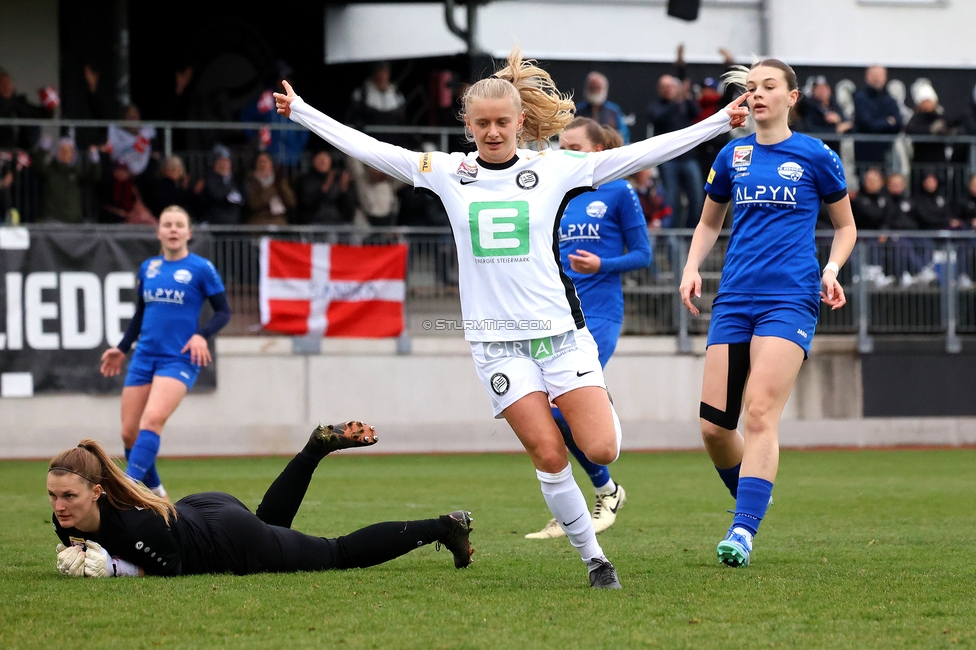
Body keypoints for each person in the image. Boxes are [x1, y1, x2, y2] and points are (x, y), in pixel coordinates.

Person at [274, 47, 748, 588]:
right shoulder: (448, 172)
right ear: (468, 126)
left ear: (521, 122)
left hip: (561, 336)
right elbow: (374, 149)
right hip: (496, 344)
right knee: (548, 452)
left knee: (601, 448)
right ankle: (597, 561)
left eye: (502, 122)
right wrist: (304, 111)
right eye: (482, 124)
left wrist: (713, 123)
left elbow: (638, 155)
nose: (493, 132)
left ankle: (599, 404)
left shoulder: (556, 167)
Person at [679, 58, 857, 568]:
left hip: (790, 298)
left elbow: (845, 227)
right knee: (714, 428)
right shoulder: (732, 155)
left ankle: (743, 528)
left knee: (759, 413)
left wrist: (831, 269)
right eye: (751, 87)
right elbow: (710, 222)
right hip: (734, 297)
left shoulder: (816, 155)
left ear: (791, 97)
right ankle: (756, 490)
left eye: (768, 86)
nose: (757, 94)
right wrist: (692, 266)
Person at [50, 426, 474, 577]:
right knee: (270, 528)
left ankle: (445, 526)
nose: (60, 506)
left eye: (69, 495)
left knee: (338, 553)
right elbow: (81, 542)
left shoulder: (135, 528)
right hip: (208, 508)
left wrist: (113, 568)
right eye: (53, 496)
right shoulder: (67, 520)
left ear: (97, 492)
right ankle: (313, 451)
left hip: (229, 538)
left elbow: (171, 569)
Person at [525, 118, 650, 540]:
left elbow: (643, 254)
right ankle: (604, 491)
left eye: (574, 147)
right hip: (556, 315)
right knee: (548, 415)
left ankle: (600, 490)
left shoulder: (618, 190)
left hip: (599, 315)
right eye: (562, 146)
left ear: (598, 152)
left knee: (562, 409)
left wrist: (602, 265)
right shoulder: (559, 192)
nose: (565, 153)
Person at [99, 206, 232, 500]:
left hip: (179, 358)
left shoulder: (201, 268)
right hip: (144, 356)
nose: (173, 229)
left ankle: (128, 490)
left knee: (152, 421)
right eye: (167, 224)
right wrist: (121, 349)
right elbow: (140, 314)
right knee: (129, 433)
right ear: (158, 231)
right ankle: (157, 493)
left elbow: (224, 311)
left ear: (188, 232)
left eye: (179, 225)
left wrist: (201, 335)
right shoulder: (148, 268)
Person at [648, 73, 704, 228]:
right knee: (671, 202)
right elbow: (658, 118)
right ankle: (672, 244)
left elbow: (697, 113)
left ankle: (691, 236)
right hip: (668, 161)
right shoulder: (656, 106)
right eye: (664, 87)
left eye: (671, 86)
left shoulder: (684, 103)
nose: (668, 90)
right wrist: (675, 101)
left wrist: (686, 96)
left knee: (697, 199)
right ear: (659, 90)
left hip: (689, 158)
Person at [34, 136, 102, 223]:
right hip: (52, 220)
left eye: (69, 151)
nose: (66, 154)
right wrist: (43, 149)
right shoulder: (50, 170)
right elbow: (37, 167)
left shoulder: (77, 172)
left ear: (73, 153)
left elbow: (94, 177)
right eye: (62, 150)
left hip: (73, 222)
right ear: (57, 152)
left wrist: (94, 160)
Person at [852, 66, 902, 164]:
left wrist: (881, 123)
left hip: (887, 152)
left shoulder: (889, 99)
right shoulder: (861, 98)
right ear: (867, 77)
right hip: (865, 153)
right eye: (874, 75)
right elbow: (868, 124)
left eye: (880, 76)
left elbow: (898, 121)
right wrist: (888, 122)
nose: (877, 79)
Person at [296, 149, 354, 225]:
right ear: (313, 160)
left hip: (337, 225)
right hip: (313, 223)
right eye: (320, 158)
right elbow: (306, 205)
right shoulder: (305, 180)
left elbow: (349, 212)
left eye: (325, 158)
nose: (323, 162)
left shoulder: (339, 179)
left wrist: (344, 191)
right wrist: (325, 188)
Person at [573, 72, 631, 144]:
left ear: (605, 89)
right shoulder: (578, 110)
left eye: (597, 88)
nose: (595, 91)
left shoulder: (613, 111)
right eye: (592, 88)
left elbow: (623, 134)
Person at [245, 151, 296, 225]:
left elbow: (291, 202)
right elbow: (254, 204)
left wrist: (281, 186)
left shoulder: (280, 181)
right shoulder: (251, 181)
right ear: (255, 164)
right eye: (260, 161)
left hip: (279, 221)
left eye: (266, 161)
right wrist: (273, 186)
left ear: (271, 163)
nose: (263, 165)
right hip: (258, 222)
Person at [199, 145, 244, 226]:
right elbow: (216, 196)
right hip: (215, 222)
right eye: (220, 162)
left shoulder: (237, 179)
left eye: (226, 161)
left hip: (235, 222)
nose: (223, 165)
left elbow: (244, 197)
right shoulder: (208, 179)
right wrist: (228, 195)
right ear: (214, 164)